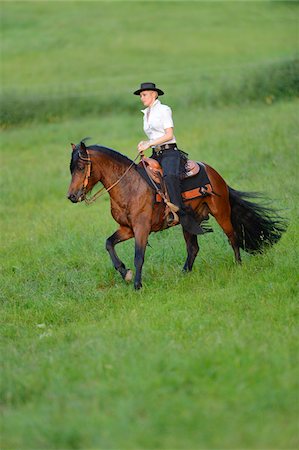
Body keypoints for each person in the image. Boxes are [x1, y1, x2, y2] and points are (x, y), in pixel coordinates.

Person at [133, 81, 203, 235]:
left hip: (170, 152)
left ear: (154, 94)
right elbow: (153, 136)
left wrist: (149, 143)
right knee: (138, 173)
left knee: (170, 176)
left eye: (144, 95)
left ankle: (181, 214)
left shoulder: (164, 110)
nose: (141, 98)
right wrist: (145, 143)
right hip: (156, 153)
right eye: (141, 95)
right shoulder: (146, 114)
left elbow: (169, 135)